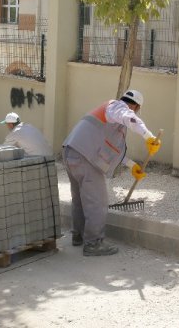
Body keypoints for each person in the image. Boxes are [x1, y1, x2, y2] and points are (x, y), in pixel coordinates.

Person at [62, 89, 161, 256]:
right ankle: (93, 243)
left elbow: (112, 150)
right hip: (86, 157)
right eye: (135, 110)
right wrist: (149, 136)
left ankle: (78, 235)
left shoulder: (110, 121)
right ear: (135, 107)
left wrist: (132, 166)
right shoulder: (116, 107)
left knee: (79, 199)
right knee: (97, 202)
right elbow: (129, 117)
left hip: (71, 153)